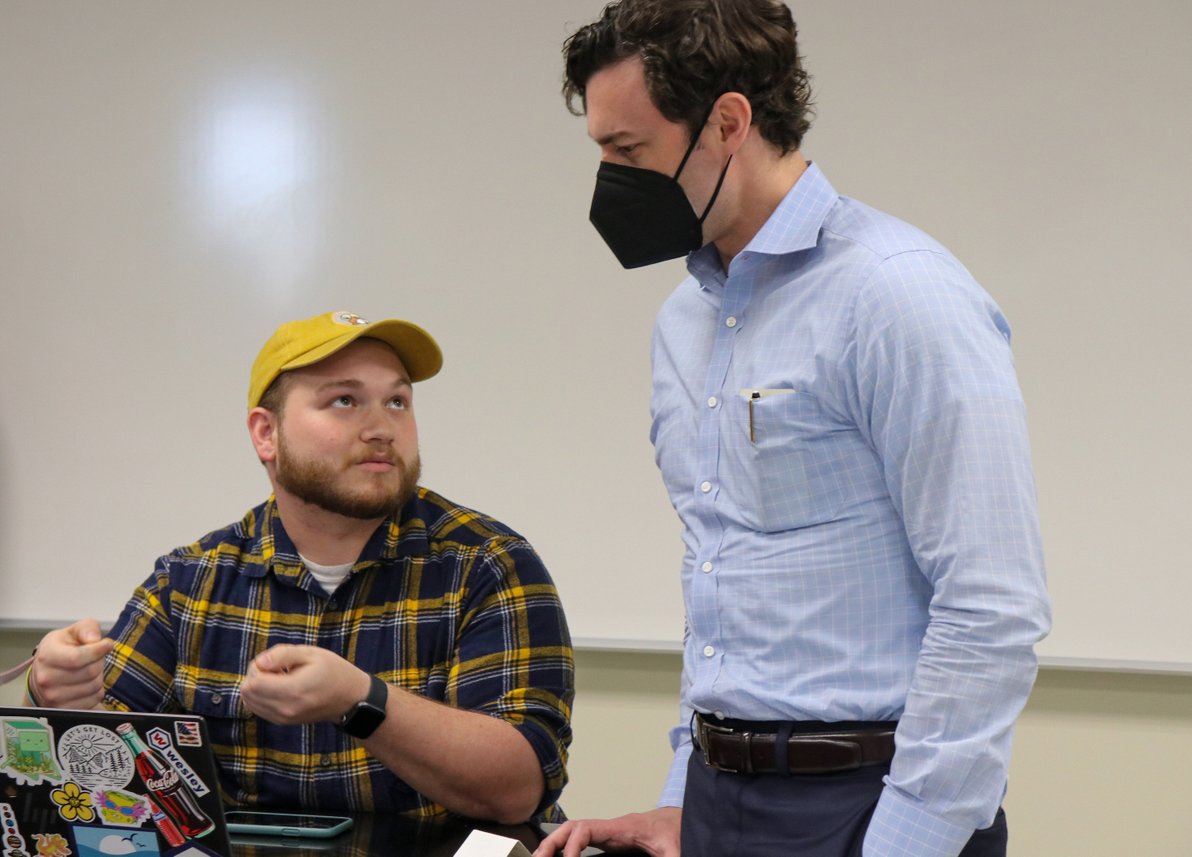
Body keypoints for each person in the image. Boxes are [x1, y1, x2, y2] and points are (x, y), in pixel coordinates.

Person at [536, 2, 1051, 856]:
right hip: (718, 797)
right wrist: (682, 797)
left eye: (626, 151)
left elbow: (992, 604)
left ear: (728, 122)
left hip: (871, 803)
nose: (609, 179)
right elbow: (722, 572)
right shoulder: (683, 319)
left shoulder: (898, 295)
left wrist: (903, 842)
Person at [26, 309, 574, 824]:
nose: (382, 428)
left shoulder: (486, 563)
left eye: (398, 403)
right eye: (344, 401)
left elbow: (518, 788)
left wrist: (362, 702)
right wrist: (53, 693)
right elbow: (95, 771)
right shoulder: (190, 582)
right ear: (266, 433)